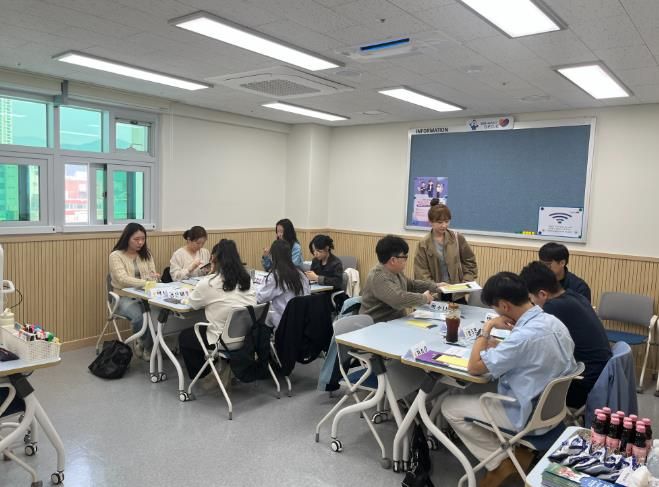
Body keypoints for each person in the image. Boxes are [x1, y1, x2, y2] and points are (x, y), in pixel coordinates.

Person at [441, 272, 577, 487]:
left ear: (504, 306)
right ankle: (510, 451)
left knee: (449, 405)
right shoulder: (554, 322)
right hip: (553, 411)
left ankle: (500, 461)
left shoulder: (523, 337)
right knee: (473, 391)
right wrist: (504, 348)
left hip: (526, 414)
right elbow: (535, 356)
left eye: (495, 308)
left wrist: (487, 328)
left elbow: (474, 368)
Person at [519, 261, 611, 408]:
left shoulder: (553, 308)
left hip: (582, 384)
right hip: (599, 376)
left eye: (531, 299)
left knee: (518, 379)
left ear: (542, 294)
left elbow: (531, 345)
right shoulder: (574, 296)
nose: (531, 303)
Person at [178, 239, 256, 385]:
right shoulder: (247, 280)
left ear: (214, 259)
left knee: (185, 337)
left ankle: (204, 374)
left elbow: (193, 304)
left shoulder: (209, 283)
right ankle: (224, 368)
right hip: (248, 338)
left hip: (222, 340)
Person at [360, 235, 440, 323]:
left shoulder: (395, 271)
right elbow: (399, 299)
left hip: (395, 321)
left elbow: (411, 285)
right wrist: (424, 298)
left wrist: (435, 286)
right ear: (393, 260)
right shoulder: (378, 276)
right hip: (377, 324)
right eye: (405, 257)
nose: (406, 260)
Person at [108, 223, 159, 361]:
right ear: (127, 238)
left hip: (145, 295)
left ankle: (144, 343)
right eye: (136, 239)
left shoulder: (146, 254)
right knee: (140, 317)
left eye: (143, 239)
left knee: (159, 313)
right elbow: (123, 279)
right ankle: (147, 345)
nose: (140, 242)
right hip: (123, 297)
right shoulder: (116, 256)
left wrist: (153, 278)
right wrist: (146, 282)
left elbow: (152, 275)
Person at [413, 199, 477, 303]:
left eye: (447, 221)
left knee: (458, 313)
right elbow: (421, 272)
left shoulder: (457, 238)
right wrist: (434, 287)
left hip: (456, 292)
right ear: (431, 222)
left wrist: (467, 280)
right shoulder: (423, 244)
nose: (444, 225)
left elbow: (469, 261)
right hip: (435, 294)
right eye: (440, 222)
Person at [257, 239, 310, 329]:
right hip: (303, 322)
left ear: (273, 256)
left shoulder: (276, 277)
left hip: (283, 324)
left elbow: (260, 298)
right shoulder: (301, 274)